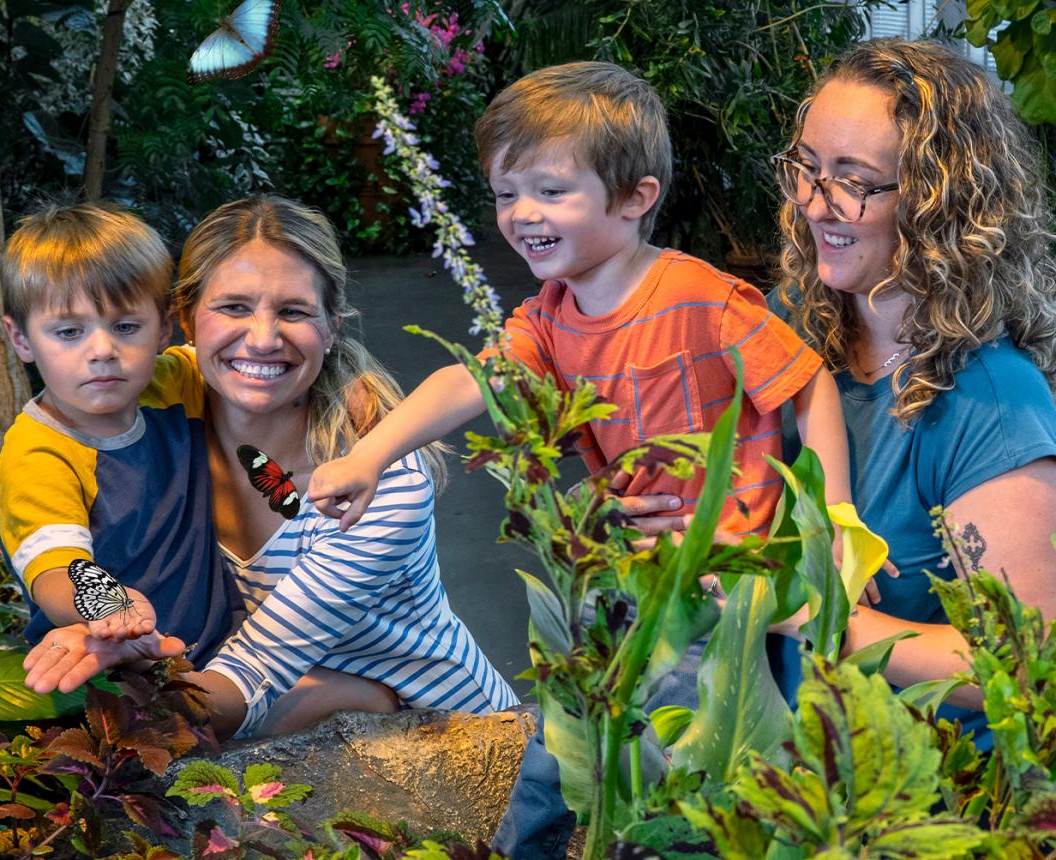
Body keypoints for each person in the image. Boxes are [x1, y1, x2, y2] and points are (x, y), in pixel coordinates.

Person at [307, 61, 852, 860]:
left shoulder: (700, 298)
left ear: (636, 197)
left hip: (712, 588)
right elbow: (474, 376)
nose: (522, 214)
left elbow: (807, 385)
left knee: (678, 763)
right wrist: (373, 455)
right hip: (614, 572)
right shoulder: (552, 314)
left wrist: (830, 524)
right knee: (563, 736)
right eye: (504, 193)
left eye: (551, 192)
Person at [22, 196, 519, 740]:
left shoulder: (384, 482)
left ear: (331, 326)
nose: (262, 338)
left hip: (449, 738)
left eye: (294, 311)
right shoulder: (158, 405)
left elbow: (255, 668)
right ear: (182, 320)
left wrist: (146, 685)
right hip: (292, 726)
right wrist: (110, 624)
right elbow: (55, 535)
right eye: (233, 308)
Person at [767, 38, 1056, 726]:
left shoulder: (992, 406)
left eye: (853, 180)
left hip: (922, 793)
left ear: (941, 202)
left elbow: (1027, 671)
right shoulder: (794, 322)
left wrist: (790, 607)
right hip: (789, 764)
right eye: (807, 168)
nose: (815, 205)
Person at [0, 202, 238, 663]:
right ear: (21, 339)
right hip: (103, 669)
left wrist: (351, 390)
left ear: (164, 326)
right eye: (69, 332)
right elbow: (57, 569)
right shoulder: (38, 452)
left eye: (126, 327)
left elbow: (249, 367)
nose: (102, 350)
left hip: (216, 654)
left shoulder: (174, 383)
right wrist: (109, 604)